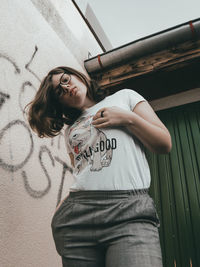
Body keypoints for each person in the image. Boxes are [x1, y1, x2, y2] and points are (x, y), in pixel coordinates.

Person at [26, 66, 172, 267]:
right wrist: (62, 207)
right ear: (60, 102)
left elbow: (164, 143)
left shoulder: (125, 97)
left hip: (129, 212)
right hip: (78, 219)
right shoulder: (71, 132)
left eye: (66, 79)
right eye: (59, 92)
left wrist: (128, 119)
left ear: (78, 75)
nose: (66, 88)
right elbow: (82, 173)